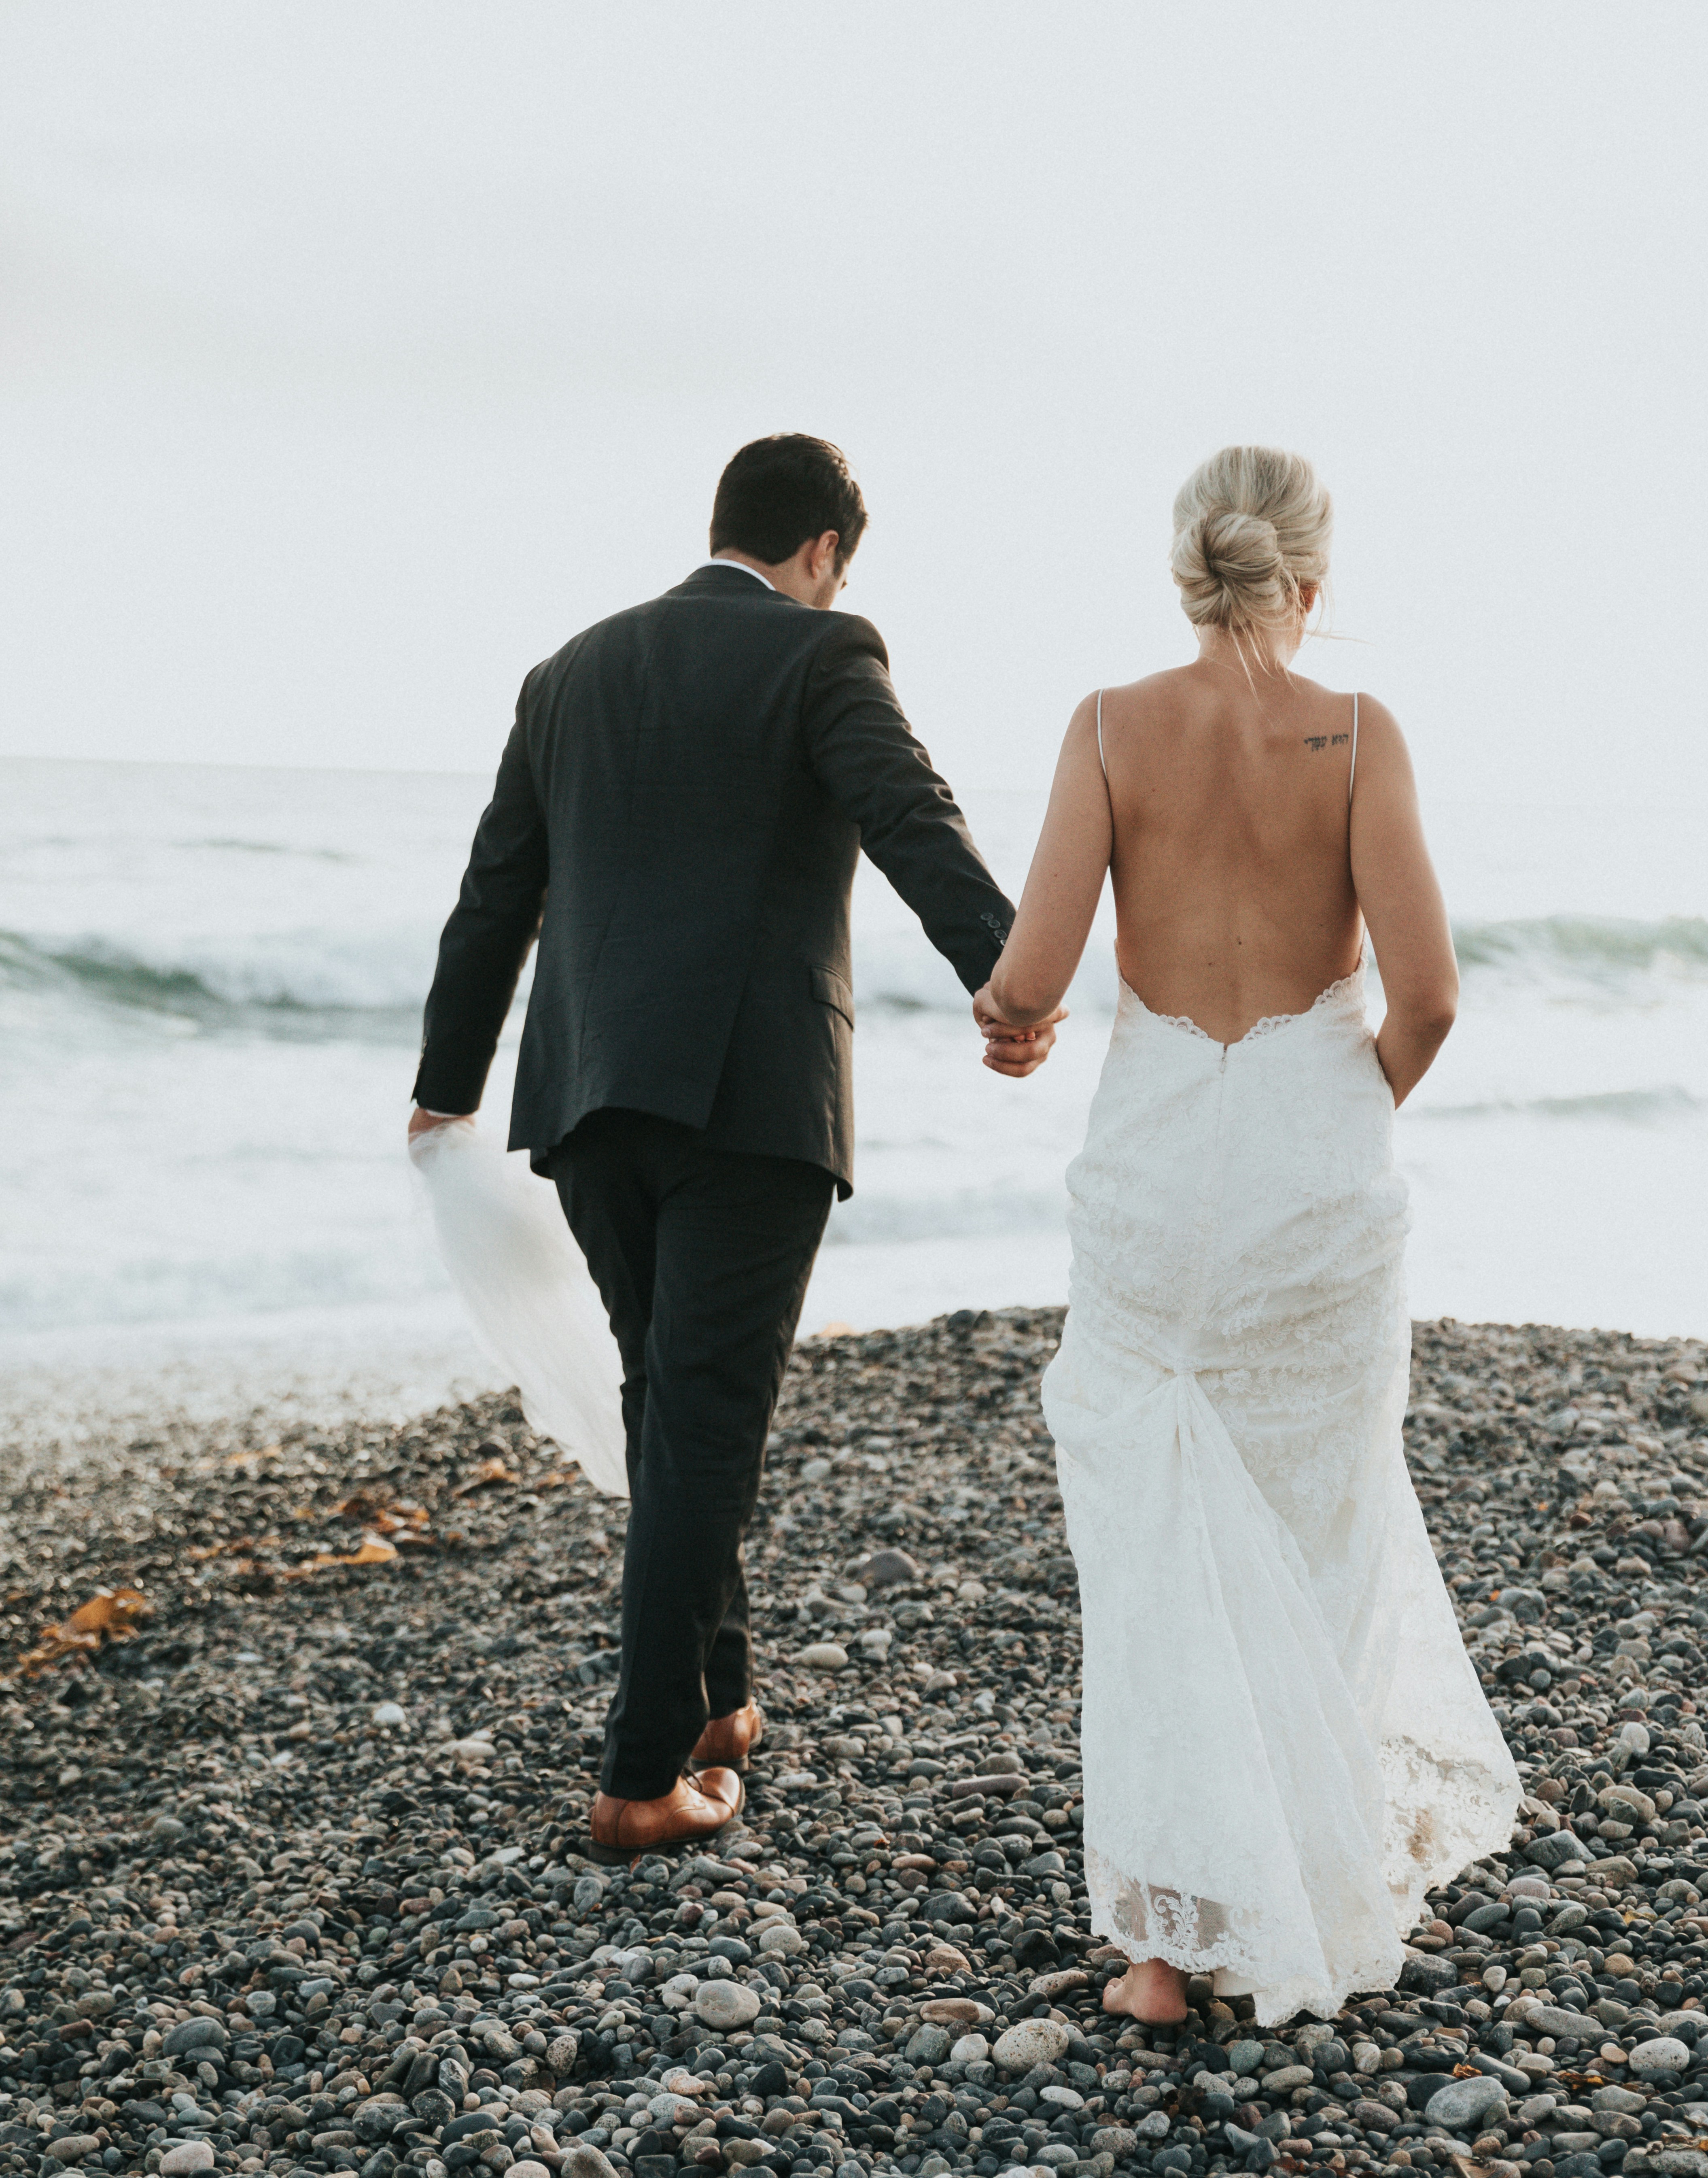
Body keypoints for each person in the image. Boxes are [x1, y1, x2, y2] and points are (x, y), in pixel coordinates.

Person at [410, 434, 1059, 1852]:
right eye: (839, 569)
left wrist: (444, 1085)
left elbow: (495, 892)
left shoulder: (569, 671)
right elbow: (909, 816)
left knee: (669, 1395)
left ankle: (719, 1704)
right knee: (704, 1418)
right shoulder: (824, 654)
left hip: (586, 1100)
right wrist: (1008, 982)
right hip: (752, 1101)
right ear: (823, 552)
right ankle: (640, 1780)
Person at [978, 445, 1518, 2027]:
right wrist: (1337, 1107)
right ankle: (1302, 1878)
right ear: (1311, 581)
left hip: (1155, 1171)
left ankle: (1164, 1947)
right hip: (1314, 1171)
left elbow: (1032, 975)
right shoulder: (1356, 735)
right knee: (1317, 1526)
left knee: (1155, 1549)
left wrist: (1011, 1020)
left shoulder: (1106, 726)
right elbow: (1428, 998)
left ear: (1184, 571)